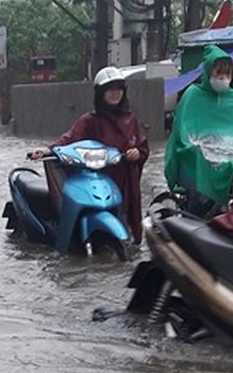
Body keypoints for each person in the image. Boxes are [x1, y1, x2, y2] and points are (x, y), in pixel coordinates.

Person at [27, 66, 149, 242]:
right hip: (98, 179)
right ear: (101, 93)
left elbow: (142, 146)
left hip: (125, 181)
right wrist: (47, 150)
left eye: (118, 89)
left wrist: (138, 153)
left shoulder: (131, 119)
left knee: (129, 224)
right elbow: (68, 140)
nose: (115, 94)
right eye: (110, 90)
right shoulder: (90, 121)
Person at [164, 45, 233, 217]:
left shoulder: (232, 97)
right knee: (202, 197)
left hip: (227, 157)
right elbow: (184, 132)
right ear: (209, 71)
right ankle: (191, 220)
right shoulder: (193, 95)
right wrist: (199, 149)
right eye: (219, 74)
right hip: (192, 161)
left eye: (227, 74)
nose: (224, 78)